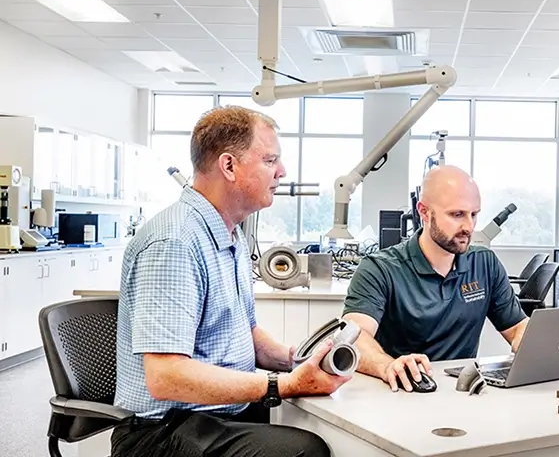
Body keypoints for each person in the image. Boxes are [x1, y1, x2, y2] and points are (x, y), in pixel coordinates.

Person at [111, 106, 350, 457]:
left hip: (213, 416)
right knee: (306, 450)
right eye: (270, 160)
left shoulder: (229, 235)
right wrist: (280, 384)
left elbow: (244, 333)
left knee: (319, 425)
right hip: (162, 432)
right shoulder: (175, 242)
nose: (281, 171)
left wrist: (296, 360)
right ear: (228, 166)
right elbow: (166, 377)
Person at [342, 165, 530, 392]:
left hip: (462, 393)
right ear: (424, 212)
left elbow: (517, 328)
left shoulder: (484, 264)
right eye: (457, 215)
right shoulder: (379, 269)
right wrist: (387, 365)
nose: (468, 226)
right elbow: (354, 337)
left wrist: (533, 344)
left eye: (474, 214)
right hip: (403, 392)